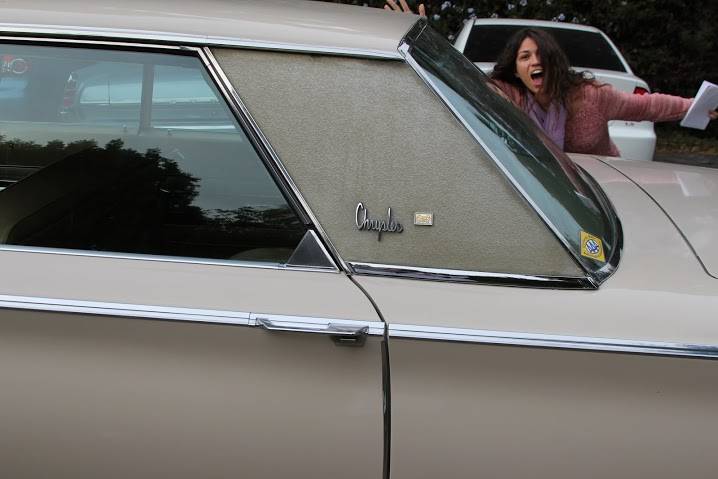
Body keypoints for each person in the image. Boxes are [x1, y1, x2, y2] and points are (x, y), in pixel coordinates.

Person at [383, 2, 718, 157]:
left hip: (604, 186)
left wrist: (699, 106)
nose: (534, 61)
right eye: (524, 57)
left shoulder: (591, 96)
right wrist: (423, 39)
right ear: (516, 70)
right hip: (543, 195)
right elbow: (459, 84)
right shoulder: (507, 95)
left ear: (554, 61)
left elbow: (649, 106)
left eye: (540, 54)